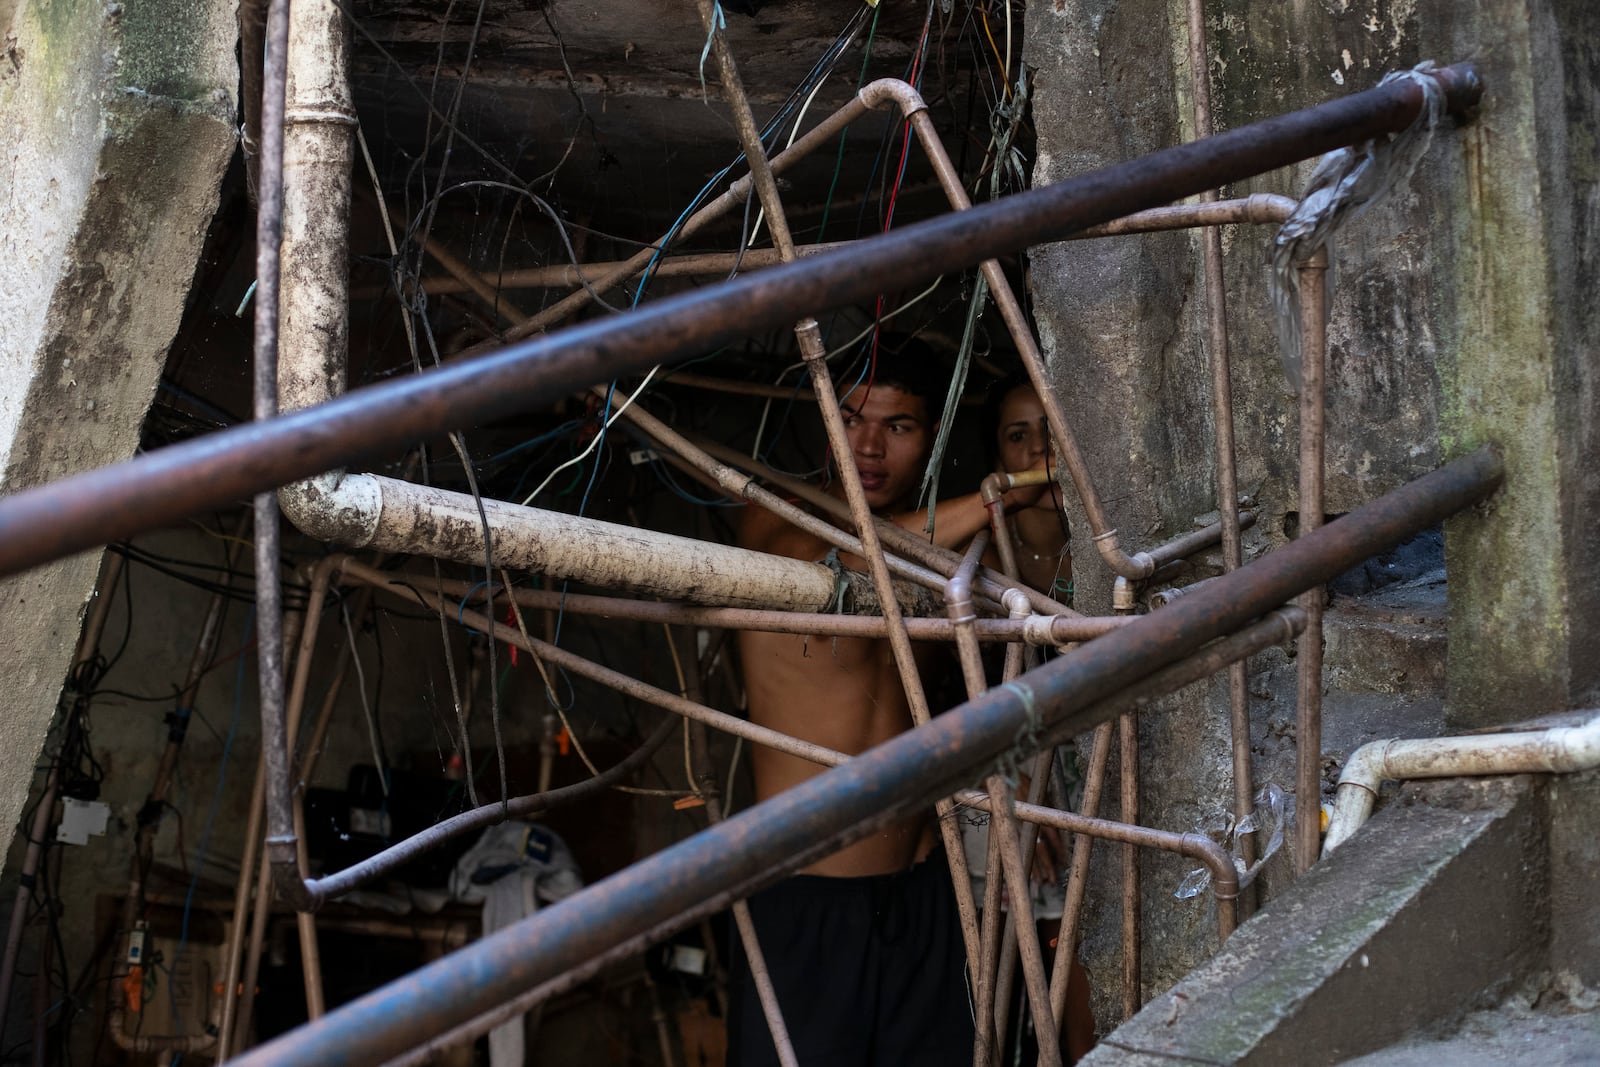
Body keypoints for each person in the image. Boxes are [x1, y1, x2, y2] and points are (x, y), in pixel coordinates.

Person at [730, 340, 1042, 1066]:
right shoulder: (774, 518)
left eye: (898, 426)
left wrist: (1022, 774)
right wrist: (1004, 492)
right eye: (851, 418)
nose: (869, 446)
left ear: (931, 437)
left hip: (923, 891)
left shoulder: (956, 559)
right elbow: (864, 554)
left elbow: (1031, 636)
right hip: (808, 899)